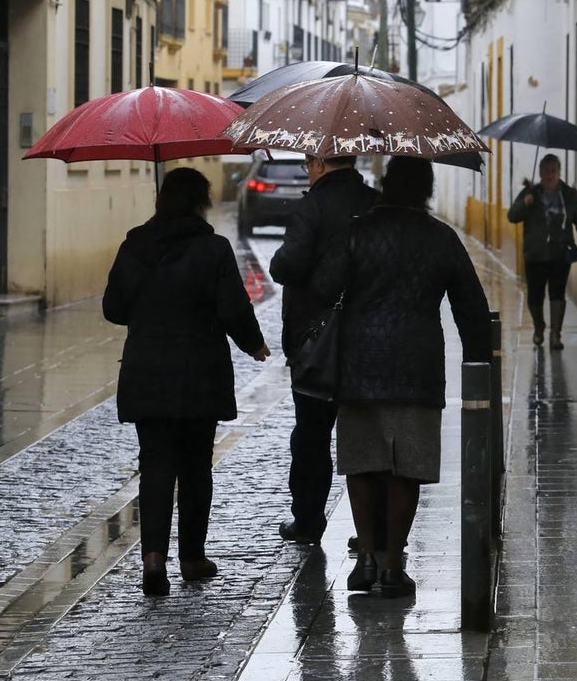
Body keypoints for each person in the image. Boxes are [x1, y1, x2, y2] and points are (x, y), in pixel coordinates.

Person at [312, 156, 490, 598]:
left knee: (363, 461)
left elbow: (321, 288)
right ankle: (394, 564)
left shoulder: (358, 232)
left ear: (387, 185)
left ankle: (366, 559)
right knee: (405, 467)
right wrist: (478, 363)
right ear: (427, 190)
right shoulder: (441, 237)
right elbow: (471, 305)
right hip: (417, 366)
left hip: (359, 363)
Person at [103, 167, 270, 597]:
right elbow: (233, 307)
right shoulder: (213, 248)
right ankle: (192, 558)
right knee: (196, 466)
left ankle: (152, 560)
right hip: (199, 373)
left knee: (155, 464)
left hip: (147, 371)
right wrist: (254, 345)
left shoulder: (134, 244)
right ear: (200, 203)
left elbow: (113, 308)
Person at [269, 154, 378, 548]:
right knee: (367, 436)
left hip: (315, 342)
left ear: (318, 163)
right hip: (368, 339)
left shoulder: (310, 207)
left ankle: (309, 519)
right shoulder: (375, 203)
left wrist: (280, 260)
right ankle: (369, 528)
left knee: (312, 436)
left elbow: (288, 265)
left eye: (307, 162)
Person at [507, 153, 577, 349]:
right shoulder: (529, 193)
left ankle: (555, 335)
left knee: (557, 294)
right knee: (535, 296)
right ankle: (539, 327)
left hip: (560, 253)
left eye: (553, 171)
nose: (549, 175)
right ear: (540, 172)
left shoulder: (568, 195)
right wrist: (525, 203)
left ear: (559, 173)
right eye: (545, 171)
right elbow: (512, 216)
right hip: (535, 254)